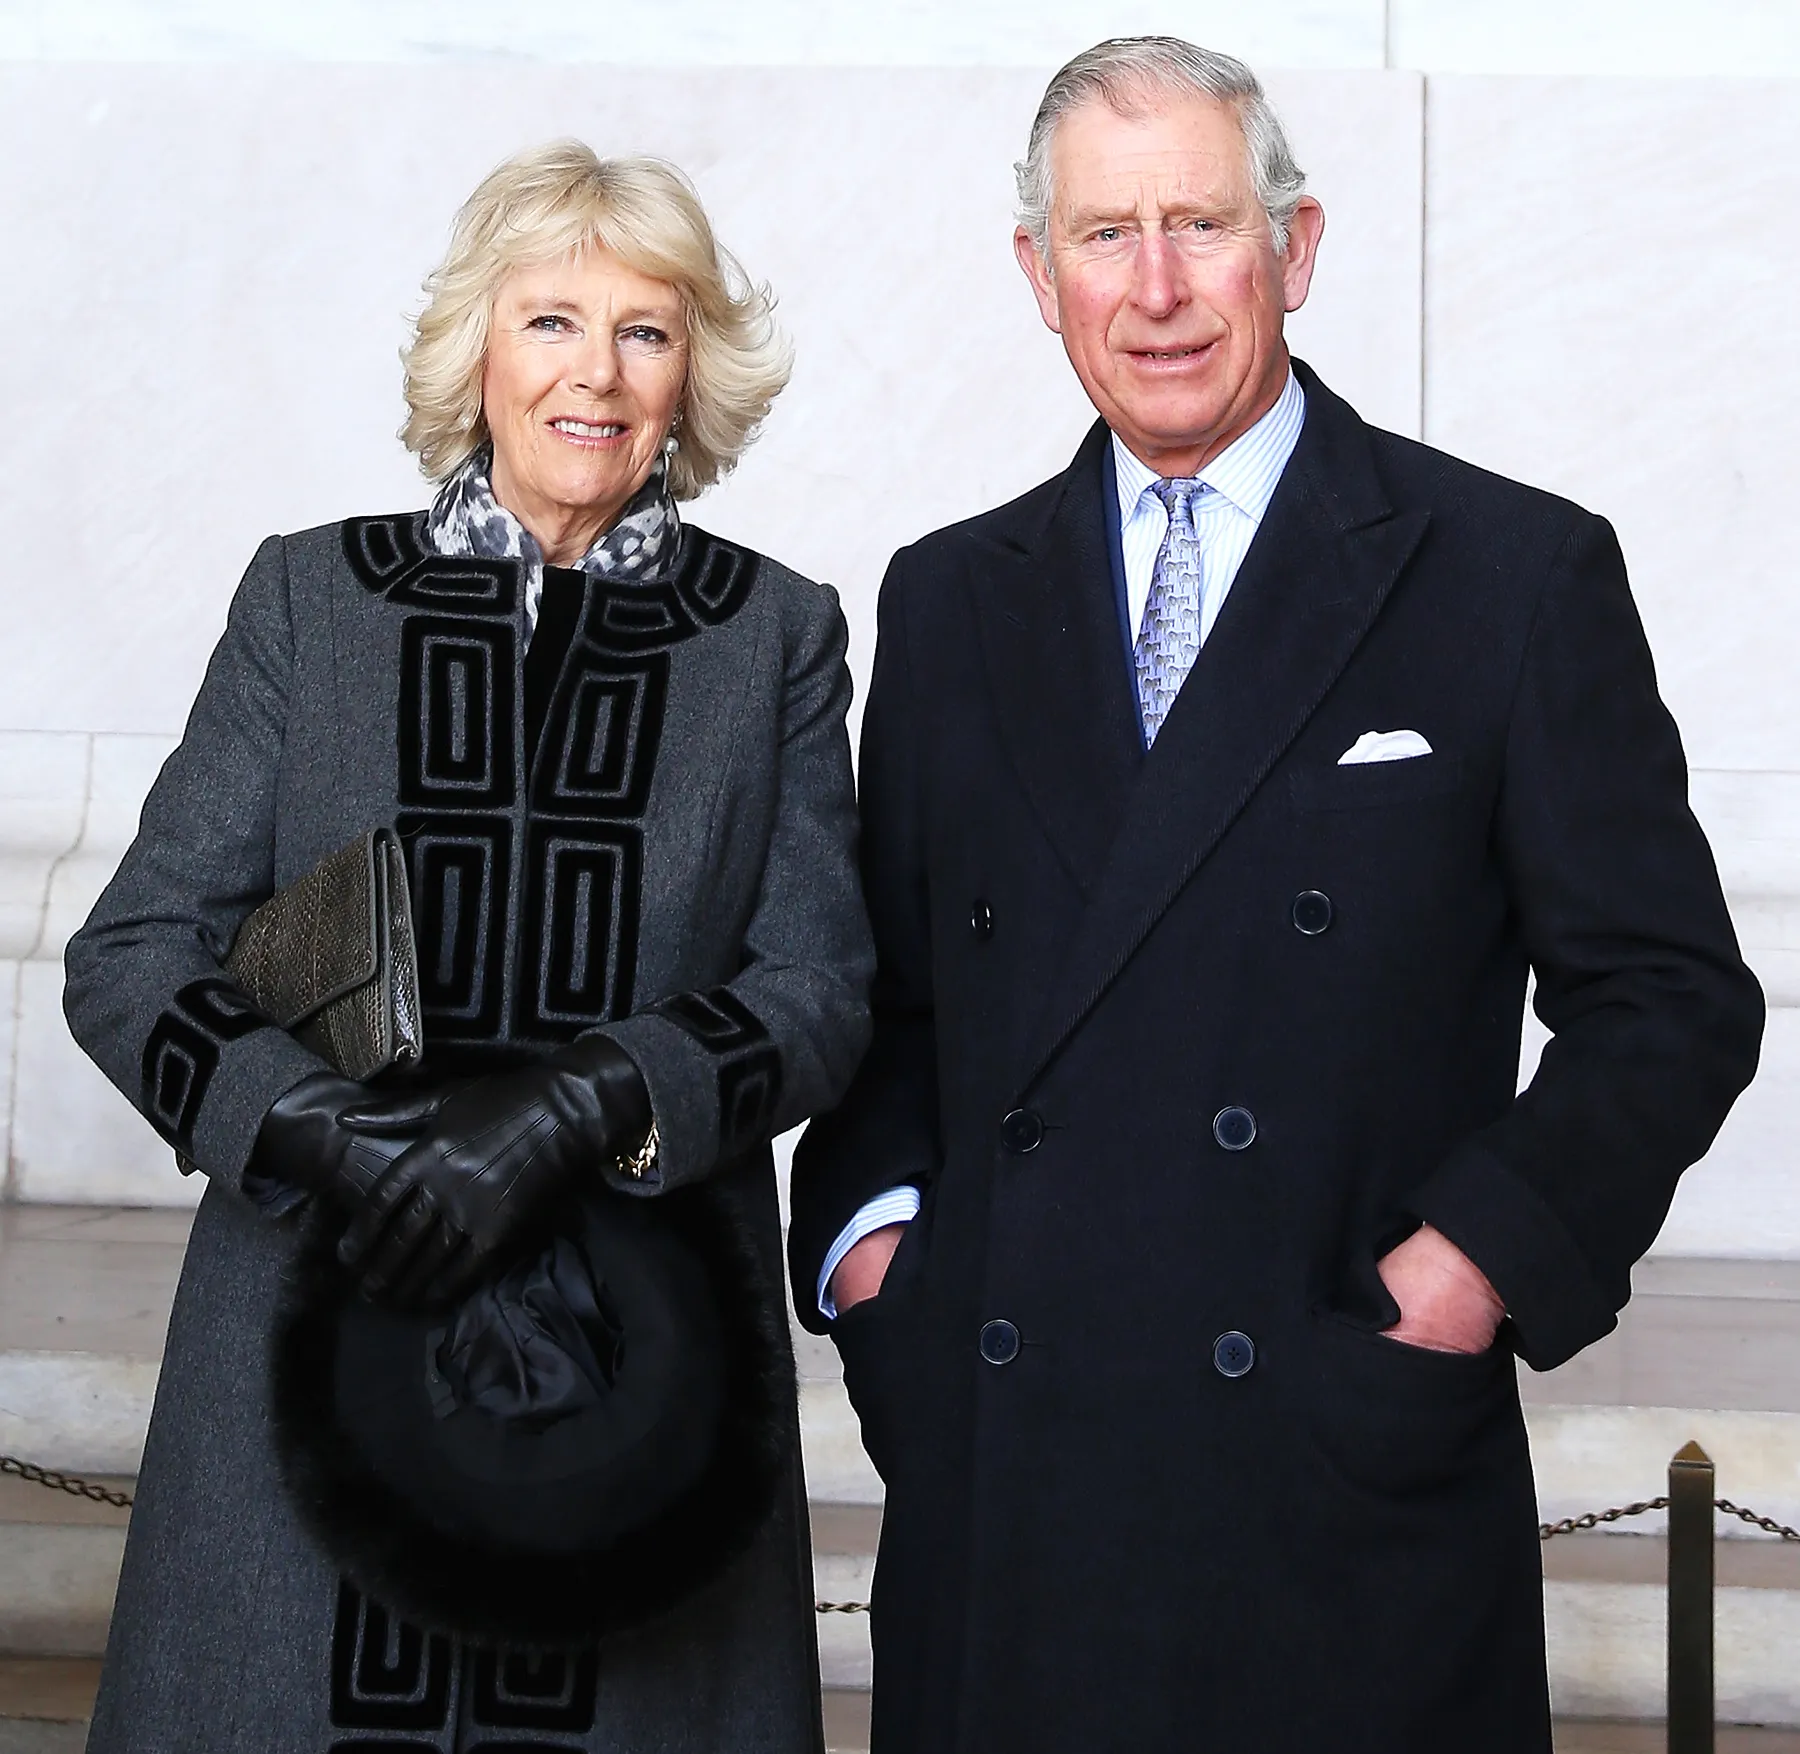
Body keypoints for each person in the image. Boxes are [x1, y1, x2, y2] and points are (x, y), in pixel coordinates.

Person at [787, 36, 1764, 1754]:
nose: (1156, 288)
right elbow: (894, 1009)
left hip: (1336, 1471)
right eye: (1105, 234)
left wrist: (1470, 1267)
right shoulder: (949, 599)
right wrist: (883, 1273)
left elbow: (1671, 997)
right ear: (1039, 276)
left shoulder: (1509, 572)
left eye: (1201, 224)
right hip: (1010, 1479)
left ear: (1294, 250)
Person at [64, 140, 871, 1753]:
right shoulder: (312, 601)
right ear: (476, 351)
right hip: (309, 1337)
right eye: (551, 319)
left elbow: (821, 990)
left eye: (645, 330)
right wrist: (327, 1132)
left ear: (692, 373)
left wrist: (583, 1100)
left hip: (642, 1375)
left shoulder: (773, 632)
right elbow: (133, 953)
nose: (597, 372)